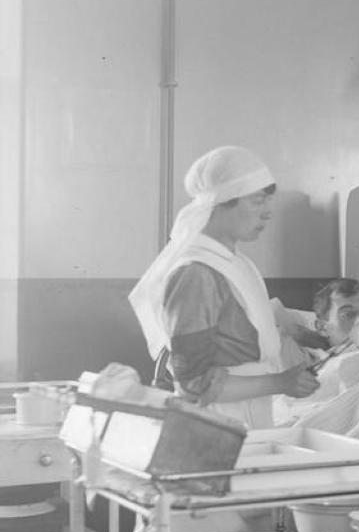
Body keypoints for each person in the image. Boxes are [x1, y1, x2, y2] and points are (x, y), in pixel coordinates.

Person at [129, 145, 319, 429]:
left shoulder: (237, 264)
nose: (268, 213)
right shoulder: (196, 274)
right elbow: (193, 383)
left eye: (268, 201)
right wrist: (280, 382)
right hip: (215, 425)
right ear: (219, 203)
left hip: (250, 418)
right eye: (257, 201)